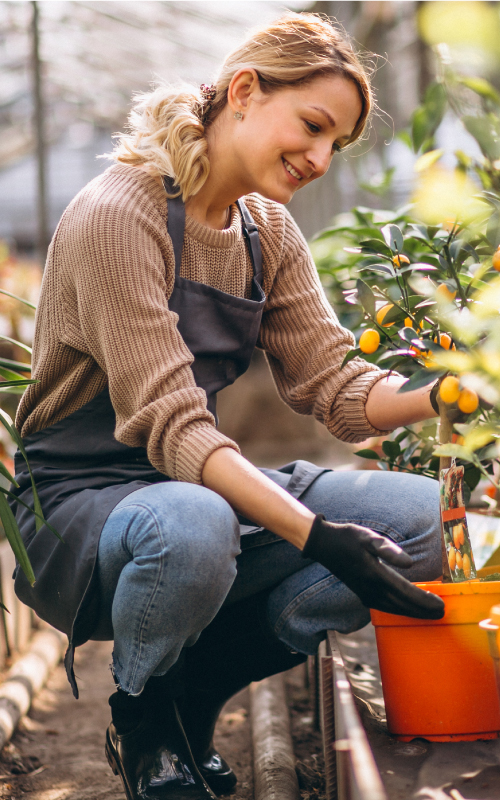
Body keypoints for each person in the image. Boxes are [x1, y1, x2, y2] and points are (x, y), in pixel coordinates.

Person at [12, 12, 445, 800]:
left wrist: (450, 391)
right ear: (243, 91)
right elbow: (178, 431)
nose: (319, 158)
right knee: (195, 523)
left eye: (336, 145)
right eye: (312, 126)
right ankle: (144, 720)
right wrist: (317, 536)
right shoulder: (120, 215)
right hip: (79, 505)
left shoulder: (266, 231)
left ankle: (191, 694)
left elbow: (339, 391)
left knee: (415, 519)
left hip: (191, 486)